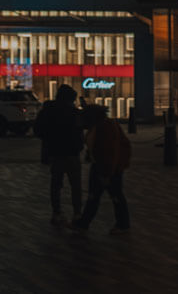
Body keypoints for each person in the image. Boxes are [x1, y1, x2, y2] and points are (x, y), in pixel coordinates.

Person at [71, 104, 131, 234]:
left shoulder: (106, 127)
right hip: (101, 165)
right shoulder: (98, 126)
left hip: (109, 168)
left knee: (113, 195)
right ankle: (84, 223)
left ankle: (122, 224)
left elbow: (109, 151)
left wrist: (106, 174)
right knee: (96, 196)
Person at [33, 84, 84, 226]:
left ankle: (57, 213)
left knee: (56, 184)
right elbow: (80, 130)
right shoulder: (74, 113)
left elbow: (38, 130)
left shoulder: (48, 111)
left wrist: (49, 141)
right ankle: (77, 213)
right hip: (72, 152)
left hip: (55, 152)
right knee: (75, 185)